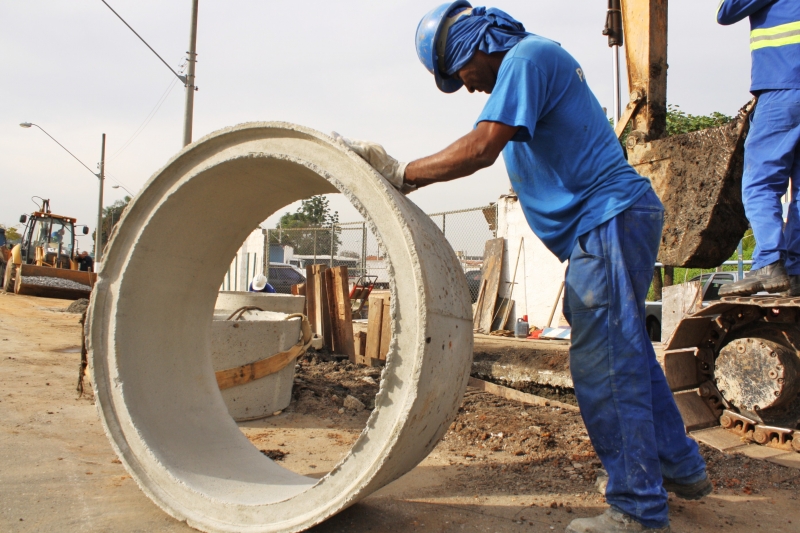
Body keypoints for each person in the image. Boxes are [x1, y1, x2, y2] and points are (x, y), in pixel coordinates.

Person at [337, 4, 709, 532]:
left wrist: (403, 172)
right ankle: (680, 468)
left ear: (474, 45)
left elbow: (480, 149)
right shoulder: (531, 66)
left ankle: (637, 509)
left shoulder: (526, 60)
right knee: (627, 356)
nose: (466, 87)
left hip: (605, 220)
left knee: (603, 366)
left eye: (459, 73)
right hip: (615, 219)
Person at [717, 0, 800, 297]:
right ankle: (796, 271)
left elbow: (726, 12)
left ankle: (769, 262)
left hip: (783, 89)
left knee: (760, 183)